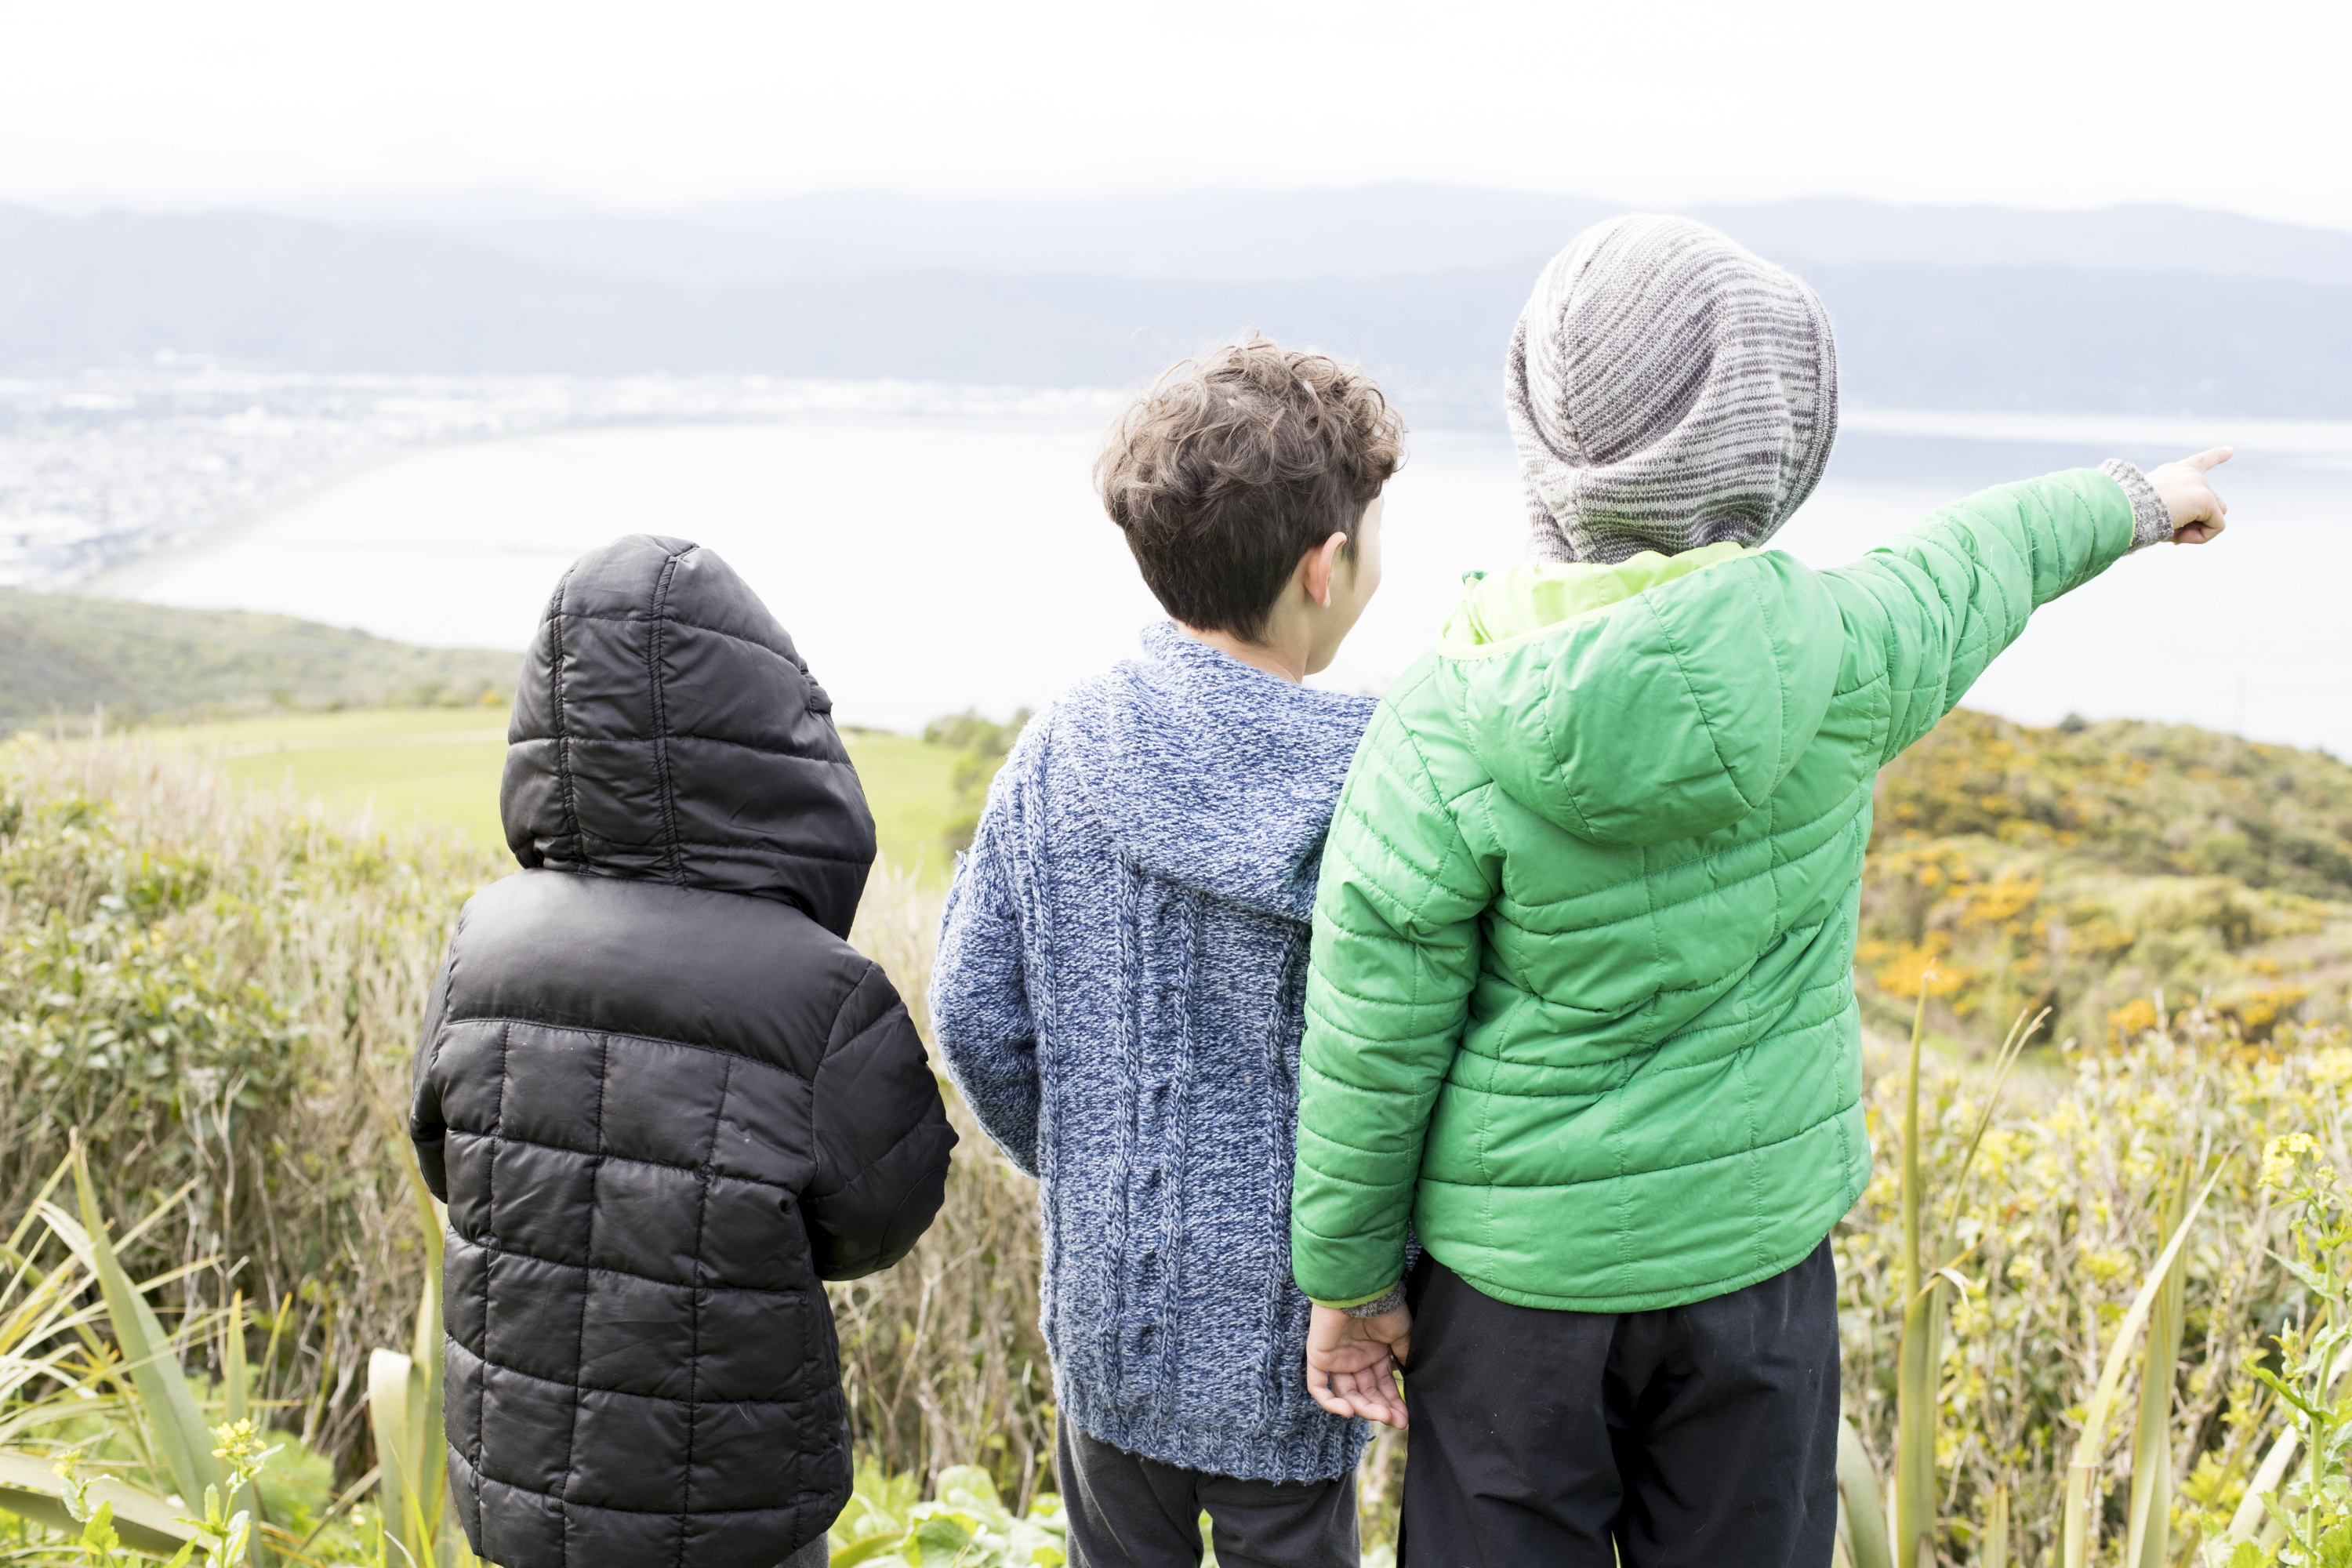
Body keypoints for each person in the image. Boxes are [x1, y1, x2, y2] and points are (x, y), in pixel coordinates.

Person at [1287, 214, 2233, 1566]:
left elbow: (1371, 1042)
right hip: (1755, 1273)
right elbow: (1982, 555)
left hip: (1516, 1295)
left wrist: (1349, 1284)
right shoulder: (1842, 649)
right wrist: (2142, 501)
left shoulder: (1441, 729)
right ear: (1774, 440)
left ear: (1545, 438)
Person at [929, 339, 1406, 1568]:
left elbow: (974, 1012)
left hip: (1110, 1315)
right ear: (1326, 567)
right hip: (1305, 1339)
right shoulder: (1391, 780)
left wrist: (1098, 1165)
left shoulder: (1060, 747)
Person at [407, 534, 957, 1568]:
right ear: (769, 730)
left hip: (516, 1487)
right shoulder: (818, 992)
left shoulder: (484, 939)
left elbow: (444, 1156)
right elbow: (881, 1219)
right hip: (733, 1507)